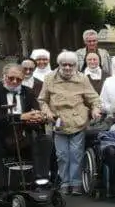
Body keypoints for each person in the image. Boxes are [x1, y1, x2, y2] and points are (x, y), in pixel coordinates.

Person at [0, 64, 54, 190]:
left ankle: (40, 179)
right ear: (3, 77)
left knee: (45, 139)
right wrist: (21, 117)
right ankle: (1, 184)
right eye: (11, 78)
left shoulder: (28, 92)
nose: (15, 82)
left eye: (19, 79)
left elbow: (34, 112)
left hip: (22, 135)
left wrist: (38, 118)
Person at [39, 51, 103, 195]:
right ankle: (64, 182)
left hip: (77, 121)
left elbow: (94, 99)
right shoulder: (49, 78)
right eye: (64, 65)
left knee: (76, 154)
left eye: (71, 65)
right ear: (59, 64)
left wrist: (95, 110)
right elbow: (42, 100)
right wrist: (47, 112)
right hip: (58, 122)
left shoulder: (82, 79)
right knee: (62, 155)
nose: (67, 68)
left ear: (76, 65)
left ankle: (76, 183)